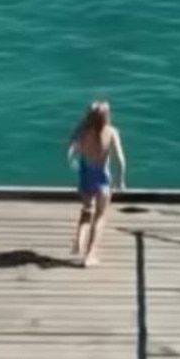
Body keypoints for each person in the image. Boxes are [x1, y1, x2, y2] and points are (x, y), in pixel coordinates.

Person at [67, 100, 126, 267]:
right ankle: (90, 255)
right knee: (100, 217)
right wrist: (121, 180)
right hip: (102, 178)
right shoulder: (112, 133)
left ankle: (79, 241)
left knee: (86, 210)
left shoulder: (83, 132)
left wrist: (71, 161)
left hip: (85, 176)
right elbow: (121, 160)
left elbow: (70, 148)